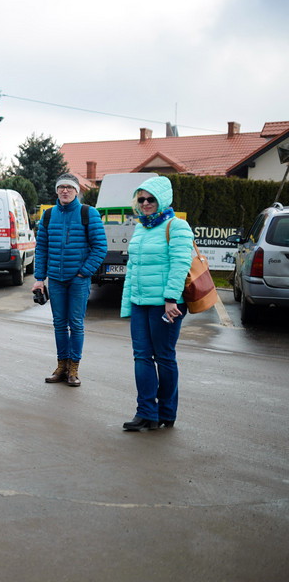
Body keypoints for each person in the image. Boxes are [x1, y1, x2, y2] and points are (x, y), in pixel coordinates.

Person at [120, 176, 193, 432]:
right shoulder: (141, 227)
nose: (146, 203)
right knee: (141, 357)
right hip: (140, 303)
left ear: (162, 200)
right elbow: (133, 268)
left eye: (151, 199)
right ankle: (146, 413)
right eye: (141, 199)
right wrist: (128, 303)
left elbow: (181, 265)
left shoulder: (177, 226)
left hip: (166, 305)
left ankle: (167, 413)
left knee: (164, 357)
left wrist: (171, 299)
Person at [31, 174, 107, 387]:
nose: (65, 191)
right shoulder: (48, 216)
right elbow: (42, 248)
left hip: (78, 280)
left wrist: (84, 272)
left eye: (69, 187)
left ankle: (73, 369)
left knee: (76, 324)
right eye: (61, 187)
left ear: (77, 191)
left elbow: (100, 248)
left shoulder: (88, 213)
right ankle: (61, 366)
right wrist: (39, 278)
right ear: (56, 191)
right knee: (58, 324)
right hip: (55, 279)